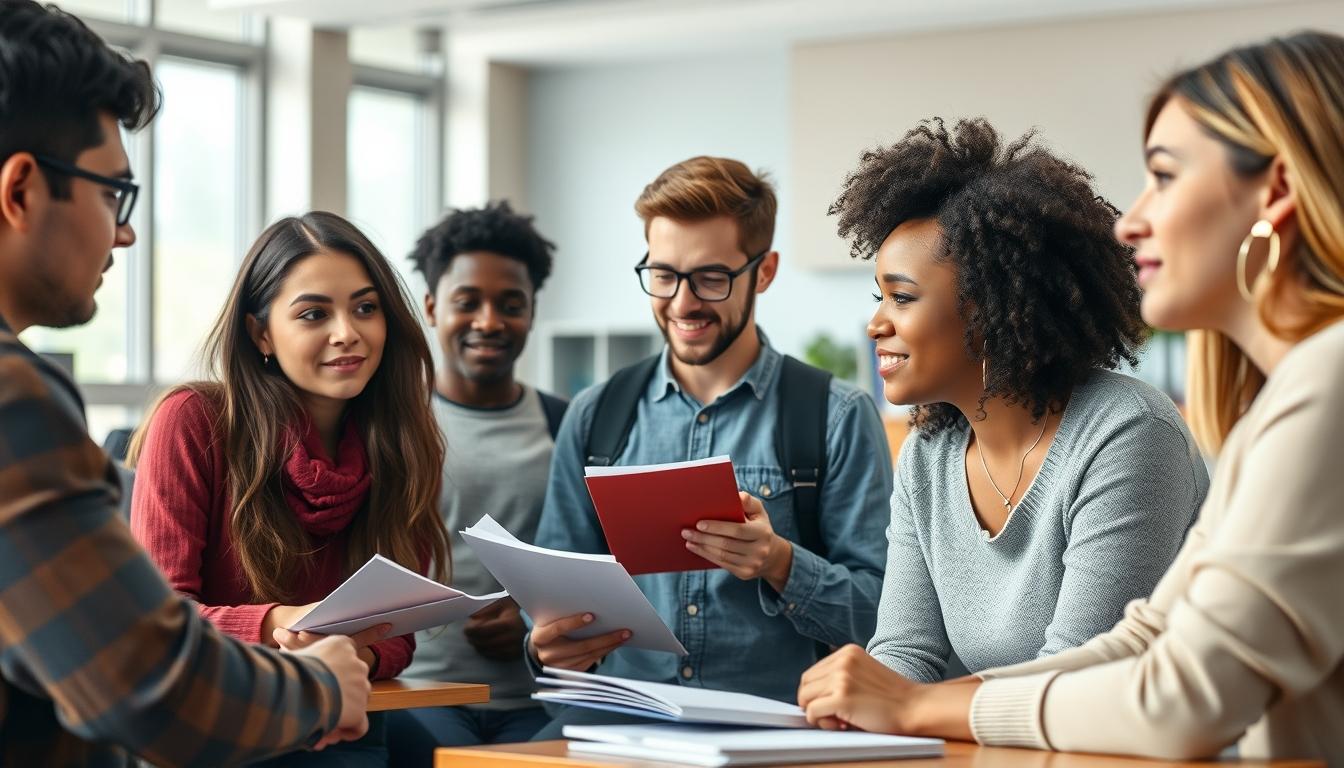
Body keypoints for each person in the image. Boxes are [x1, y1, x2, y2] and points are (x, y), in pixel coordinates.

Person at [797, 31, 1344, 764]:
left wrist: (920, 705)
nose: (1132, 221)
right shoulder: (1289, 400)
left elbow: (1182, 697)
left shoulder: (1323, 385)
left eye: (1166, 175)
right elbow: (1148, 638)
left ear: (1273, 192)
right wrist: (884, 701)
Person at [0, 2, 370, 764]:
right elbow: (150, 684)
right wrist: (321, 686)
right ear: (22, 190)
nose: (125, 231)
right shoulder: (16, 402)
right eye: (113, 195)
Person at [529, 156, 893, 739]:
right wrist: (544, 643)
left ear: (764, 271)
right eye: (664, 274)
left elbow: (884, 617)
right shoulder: (595, 415)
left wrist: (779, 563)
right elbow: (551, 589)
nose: (681, 303)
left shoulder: (836, 416)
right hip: (622, 722)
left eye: (710, 278)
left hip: (776, 733)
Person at [832, 117, 1206, 682]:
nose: (875, 325)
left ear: (987, 309)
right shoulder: (928, 455)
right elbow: (907, 653)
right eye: (878, 297)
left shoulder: (1128, 434)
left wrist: (902, 705)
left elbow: (1076, 675)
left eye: (901, 297)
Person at [129, 211, 452, 766]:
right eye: (313, 314)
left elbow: (398, 635)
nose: (347, 332)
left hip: (342, 721)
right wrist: (285, 625)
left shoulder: (403, 442)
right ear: (261, 333)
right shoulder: (194, 421)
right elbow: (155, 622)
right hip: (216, 727)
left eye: (366, 308)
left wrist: (351, 657)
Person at [385, 201, 564, 761]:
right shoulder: (391, 426)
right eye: (468, 302)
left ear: (532, 313)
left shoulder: (569, 428)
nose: (489, 321)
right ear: (434, 309)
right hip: (414, 695)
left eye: (511, 304)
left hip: (539, 702)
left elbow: (593, 560)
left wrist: (534, 623)